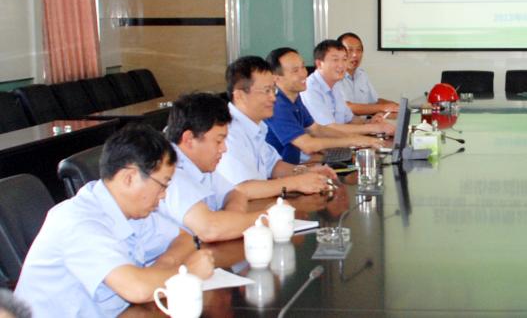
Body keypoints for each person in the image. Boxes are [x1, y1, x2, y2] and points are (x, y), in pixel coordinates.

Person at [15, 125, 215, 317]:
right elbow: (136, 289)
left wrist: (163, 267)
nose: (163, 195)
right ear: (129, 178)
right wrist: (188, 273)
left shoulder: (131, 209)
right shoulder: (78, 221)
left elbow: (184, 239)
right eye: (162, 185)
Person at [158, 93, 277, 242]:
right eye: (219, 141)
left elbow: (235, 193)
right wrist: (271, 217)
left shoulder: (201, 163)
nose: (224, 149)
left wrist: (232, 220)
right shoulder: (170, 172)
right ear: (189, 139)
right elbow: (210, 229)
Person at [216, 56, 338, 198]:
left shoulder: (257, 126)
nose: (273, 98)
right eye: (266, 91)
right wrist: (296, 182)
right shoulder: (227, 132)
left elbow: (274, 166)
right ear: (240, 95)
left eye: (274, 90)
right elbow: (243, 189)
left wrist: (306, 172)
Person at [265, 47, 383, 164]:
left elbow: (316, 129)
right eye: (295, 71)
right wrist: (354, 141)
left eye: (303, 66)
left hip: (293, 165)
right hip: (279, 171)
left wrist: (357, 139)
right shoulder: (277, 105)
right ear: (276, 78)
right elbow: (308, 145)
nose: (304, 73)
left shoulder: (294, 98)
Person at [301, 39, 394, 137]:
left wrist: (369, 122)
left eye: (344, 59)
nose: (341, 65)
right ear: (319, 64)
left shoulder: (335, 85)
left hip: (339, 142)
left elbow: (350, 119)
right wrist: (375, 128)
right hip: (322, 145)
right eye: (335, 60)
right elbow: (328, 129)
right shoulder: (309, 89)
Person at [338, 32, 400, 116]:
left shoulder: (361, 74)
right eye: (350, 50)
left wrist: (397, 107)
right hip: (345, 124)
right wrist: (384, 107)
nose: (355, 55)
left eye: (359, 50)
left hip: (364, 122)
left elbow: (375, 101)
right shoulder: (334, 76)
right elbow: (348, 107)